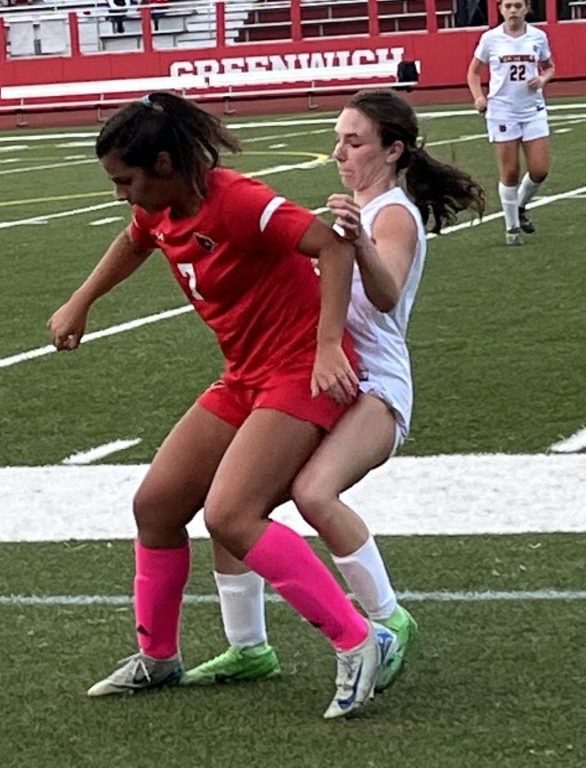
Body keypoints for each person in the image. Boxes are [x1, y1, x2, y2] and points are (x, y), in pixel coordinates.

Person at [48, 92, 397, 719]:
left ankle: (358, 639)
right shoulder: (158, 207)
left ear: (163, 164)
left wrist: (326, 347)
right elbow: (134, 241)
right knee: (156, 506)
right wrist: (82, 301)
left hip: (298, 372)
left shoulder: (236, 200)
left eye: (126, 181)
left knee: (232, 515)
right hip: (245, 376)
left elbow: (333, 247)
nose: (121, 194)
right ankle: (158, 657)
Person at [180, 90, 486, 691]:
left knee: (314, 492)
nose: (339, 152)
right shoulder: (352, 210)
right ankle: (247, 646)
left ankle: (388, 620)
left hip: (375, 382)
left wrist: (358, 242)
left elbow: (386, 296)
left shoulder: (392, 214)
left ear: (393, 151)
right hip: (320, 375)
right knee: (235, 504)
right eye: (338, 139)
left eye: (354, 141)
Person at [466, 0, 554, 246]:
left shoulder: (538, 36)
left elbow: (549, 67)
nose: (513, 10)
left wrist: (543, 79)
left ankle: (521, 205)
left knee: (540, 170)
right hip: (502, 111)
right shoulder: (490, 39)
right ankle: (512, 227)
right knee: (511, 170)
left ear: (526, 8)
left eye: (517, 5)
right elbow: (473, 72)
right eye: (508, 6)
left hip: (533, 109)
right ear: (500, 9)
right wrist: (478, 97)